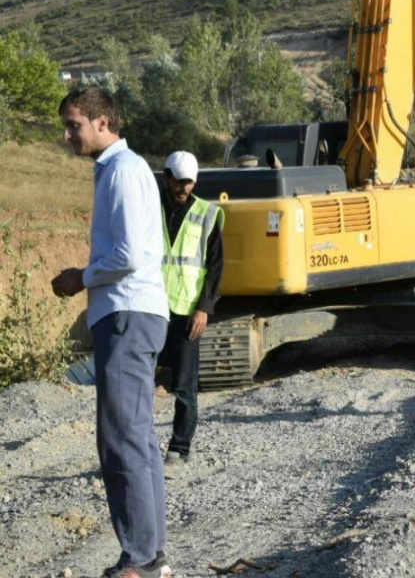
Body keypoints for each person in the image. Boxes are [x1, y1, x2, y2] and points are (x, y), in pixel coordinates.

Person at [50, 87, 172, 578]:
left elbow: (126, 257)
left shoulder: (121, 172)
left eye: (73, 124)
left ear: (102, 122)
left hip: (126, 315)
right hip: (136, 315)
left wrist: (81, 276)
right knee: (136, 438)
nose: (66, 135)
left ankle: (140, 558)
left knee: (121, 439)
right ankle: (151, 553)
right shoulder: (123, 170)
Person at [158, 150, 224, 476]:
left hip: (187, 312)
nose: (184, 187)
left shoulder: (207, 215)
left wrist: (204, 309)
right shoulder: (150, 209)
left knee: (184, 387)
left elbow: (215, 268)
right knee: (141, 383)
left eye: (189, 182)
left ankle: (179, 449)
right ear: (166, 177)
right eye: (179, 181)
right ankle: (139, 448)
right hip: (152, 310)